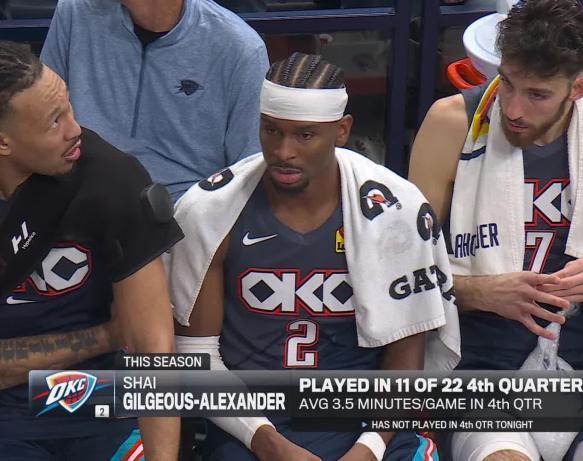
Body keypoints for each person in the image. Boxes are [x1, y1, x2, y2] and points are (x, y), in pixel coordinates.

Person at [167, 52, 459, 460]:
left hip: (364, 419)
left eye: (304, 135)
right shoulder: (209, 210)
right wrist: (266, 442)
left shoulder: (397, 211)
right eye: (271, 130)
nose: (283, 151)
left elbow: (406, 353)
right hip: (250, 423)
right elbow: (196, 354)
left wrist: (369, 449)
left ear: (342, 130)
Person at [409, 0, 583, 459]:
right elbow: (400, 279)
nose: (513, 108)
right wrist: (478, 292)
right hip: (481, 372)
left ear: (580, 87)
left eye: (537, 95)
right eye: (507, 83)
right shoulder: (449, 123)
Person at [0, 41, 183, 460]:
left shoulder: (113, 179)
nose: (75, 129)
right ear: (4, 143)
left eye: (69, 108)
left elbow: (153, 348)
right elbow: (127, 332)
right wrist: (105, 335)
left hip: (105, 404)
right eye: (54, 122)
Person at [41, 0, 269, 200]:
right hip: (79, 200)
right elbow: (40, 118)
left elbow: (247, 172)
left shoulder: (241, 49)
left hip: (185, 212)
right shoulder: (73, 12)